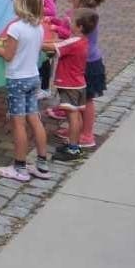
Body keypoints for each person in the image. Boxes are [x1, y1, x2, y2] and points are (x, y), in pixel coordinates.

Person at [0, 0, 51, 181]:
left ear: (21, 5)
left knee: (18, 123)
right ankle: (42, 165)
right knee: (34, 119)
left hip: (17, 80)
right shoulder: (38, 27)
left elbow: (7, 56)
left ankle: (19, 168)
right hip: (33, 77)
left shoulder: (15, 28)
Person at [56, 0, 106, 150]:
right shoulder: (80, 13)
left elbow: (72, 35)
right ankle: (75, 128)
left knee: (86, 99)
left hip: (88, 64)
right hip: (81, 63)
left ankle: (87, 134)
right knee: (77, 99)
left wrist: (60, 28)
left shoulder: (86, 16)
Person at [45, 9, 97, 162]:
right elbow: (59, 43)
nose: (69, 23)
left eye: (72, 22)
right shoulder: (82, 40)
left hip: (69, 86)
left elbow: (53, 47)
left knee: (72, 116)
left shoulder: (73, 42)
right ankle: (75, 145)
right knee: (76, 115)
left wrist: (32, 42)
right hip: (78, 84)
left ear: (80, 27)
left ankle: (73, 149)